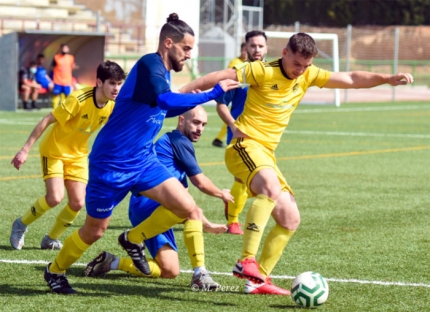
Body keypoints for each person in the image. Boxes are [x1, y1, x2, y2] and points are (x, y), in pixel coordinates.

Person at [178, 32, 414, 295]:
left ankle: (259, 281)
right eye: (297, 65)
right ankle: (246, 260)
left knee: (290, 218)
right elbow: (222, 75)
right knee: (269, 186)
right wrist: (181, 91)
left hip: (266, 154)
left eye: (306, 66)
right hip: (243, 147)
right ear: (285, 53)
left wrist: (386, 79)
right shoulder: (262, 71)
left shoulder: (309, 73)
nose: (301, 71)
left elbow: (350, 78)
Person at [43, 13, 238, 295]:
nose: (189, 54)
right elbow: (166, 100)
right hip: (110, 164)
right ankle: (55, 271)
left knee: (187, 208)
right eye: (186, 48)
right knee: (94, 230)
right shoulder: (150, 64)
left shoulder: (162, 71)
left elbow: (164, 108)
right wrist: (211, 93)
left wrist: (209, 90)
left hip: (143, 162)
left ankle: (132, 239)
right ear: (168, 43)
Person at [85, 106, 231, 290]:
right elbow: (200, 182)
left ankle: (111, 262)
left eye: (203, 124)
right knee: (190, 210)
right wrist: (222, 194)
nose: (200, 128)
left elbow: (183, 195)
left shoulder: (175, 144)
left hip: (151, 206)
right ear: (181, 120)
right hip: (150, 205)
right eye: (196, 122)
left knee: (170, 271)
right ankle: (200, 274)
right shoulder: (178, 140)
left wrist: (207, 224)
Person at [10, 61, 126, 252]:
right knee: (55, 197)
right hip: (54, 150)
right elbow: (46, 119)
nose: (116, 88)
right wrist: (24, 150)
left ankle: (50, 239)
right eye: (112, 83)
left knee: (78, 202)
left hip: (78, 155)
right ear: (99, 82)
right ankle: (21, 224)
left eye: (119, 83)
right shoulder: (79, 99)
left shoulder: (113, 105)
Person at [216, 31, 268, 237]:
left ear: (266, 49)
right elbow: (221, 104)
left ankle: (232, 203)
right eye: (252, 46)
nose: (256, 49)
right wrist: (232, 126)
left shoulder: (274, 73)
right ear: (245, 48)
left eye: (260, 46)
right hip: (240, 135)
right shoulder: (238, 74)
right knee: (242, 179)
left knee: (259, 182)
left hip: (264, 136)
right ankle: (233, 221)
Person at [212, 42, 247, 148]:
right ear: (241, 50)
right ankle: (218, 138)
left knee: (232, 117)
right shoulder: (236, 62)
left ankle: (218, 139)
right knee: (231, 116)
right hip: (235, 94)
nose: (246, 52)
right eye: (244, 50)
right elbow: (233, 77)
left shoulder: (254, 66)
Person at [51, 44, 77, 109]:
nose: (64, 50)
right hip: (58, 80)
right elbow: (52, 68)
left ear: (68, 49)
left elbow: (72, 66)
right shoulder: (56, 57)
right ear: (61, 49)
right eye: (63, 48)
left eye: (66, 48)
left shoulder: (71, 58)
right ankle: (54, 110)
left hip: (67, 81)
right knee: (56, 95)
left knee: (67, 96)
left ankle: (65, 109)